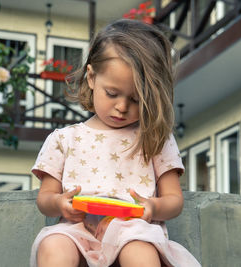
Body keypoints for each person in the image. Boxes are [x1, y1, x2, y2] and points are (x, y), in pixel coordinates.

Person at [30, 19, 201, 267]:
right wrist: (59, 203)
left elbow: (174, 200)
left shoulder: (154, 137)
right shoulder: (64, 139)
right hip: (78, 232)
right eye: (112, 93)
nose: (122, 107)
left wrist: (153, 207)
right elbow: (45, 198)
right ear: (91, 77)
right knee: (53, 245)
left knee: (139, 252)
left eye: (135, 99)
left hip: (133, 231)